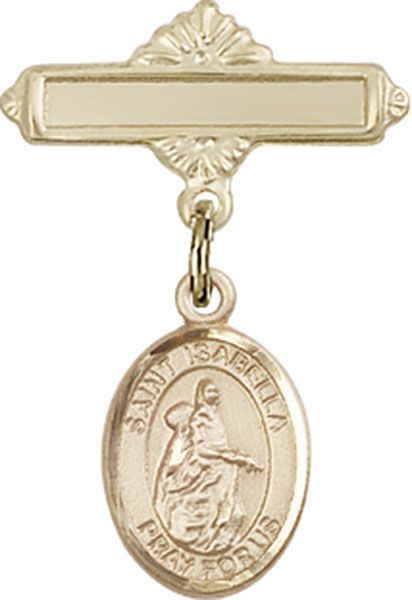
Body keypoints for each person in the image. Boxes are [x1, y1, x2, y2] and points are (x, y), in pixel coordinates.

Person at [155, 378, 262, 553]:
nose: (214, 394)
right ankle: (206, 534)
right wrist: (229, 456)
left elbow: (218, 443)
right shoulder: (200, 417)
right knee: (208, 500)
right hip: (203, 463)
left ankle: (220, 532)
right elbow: (200, 447)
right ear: (201, 394)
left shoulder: (213, 415)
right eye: (210, 391)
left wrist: (232, 457)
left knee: (230, 499)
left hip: (221, 464)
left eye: (216, 391)